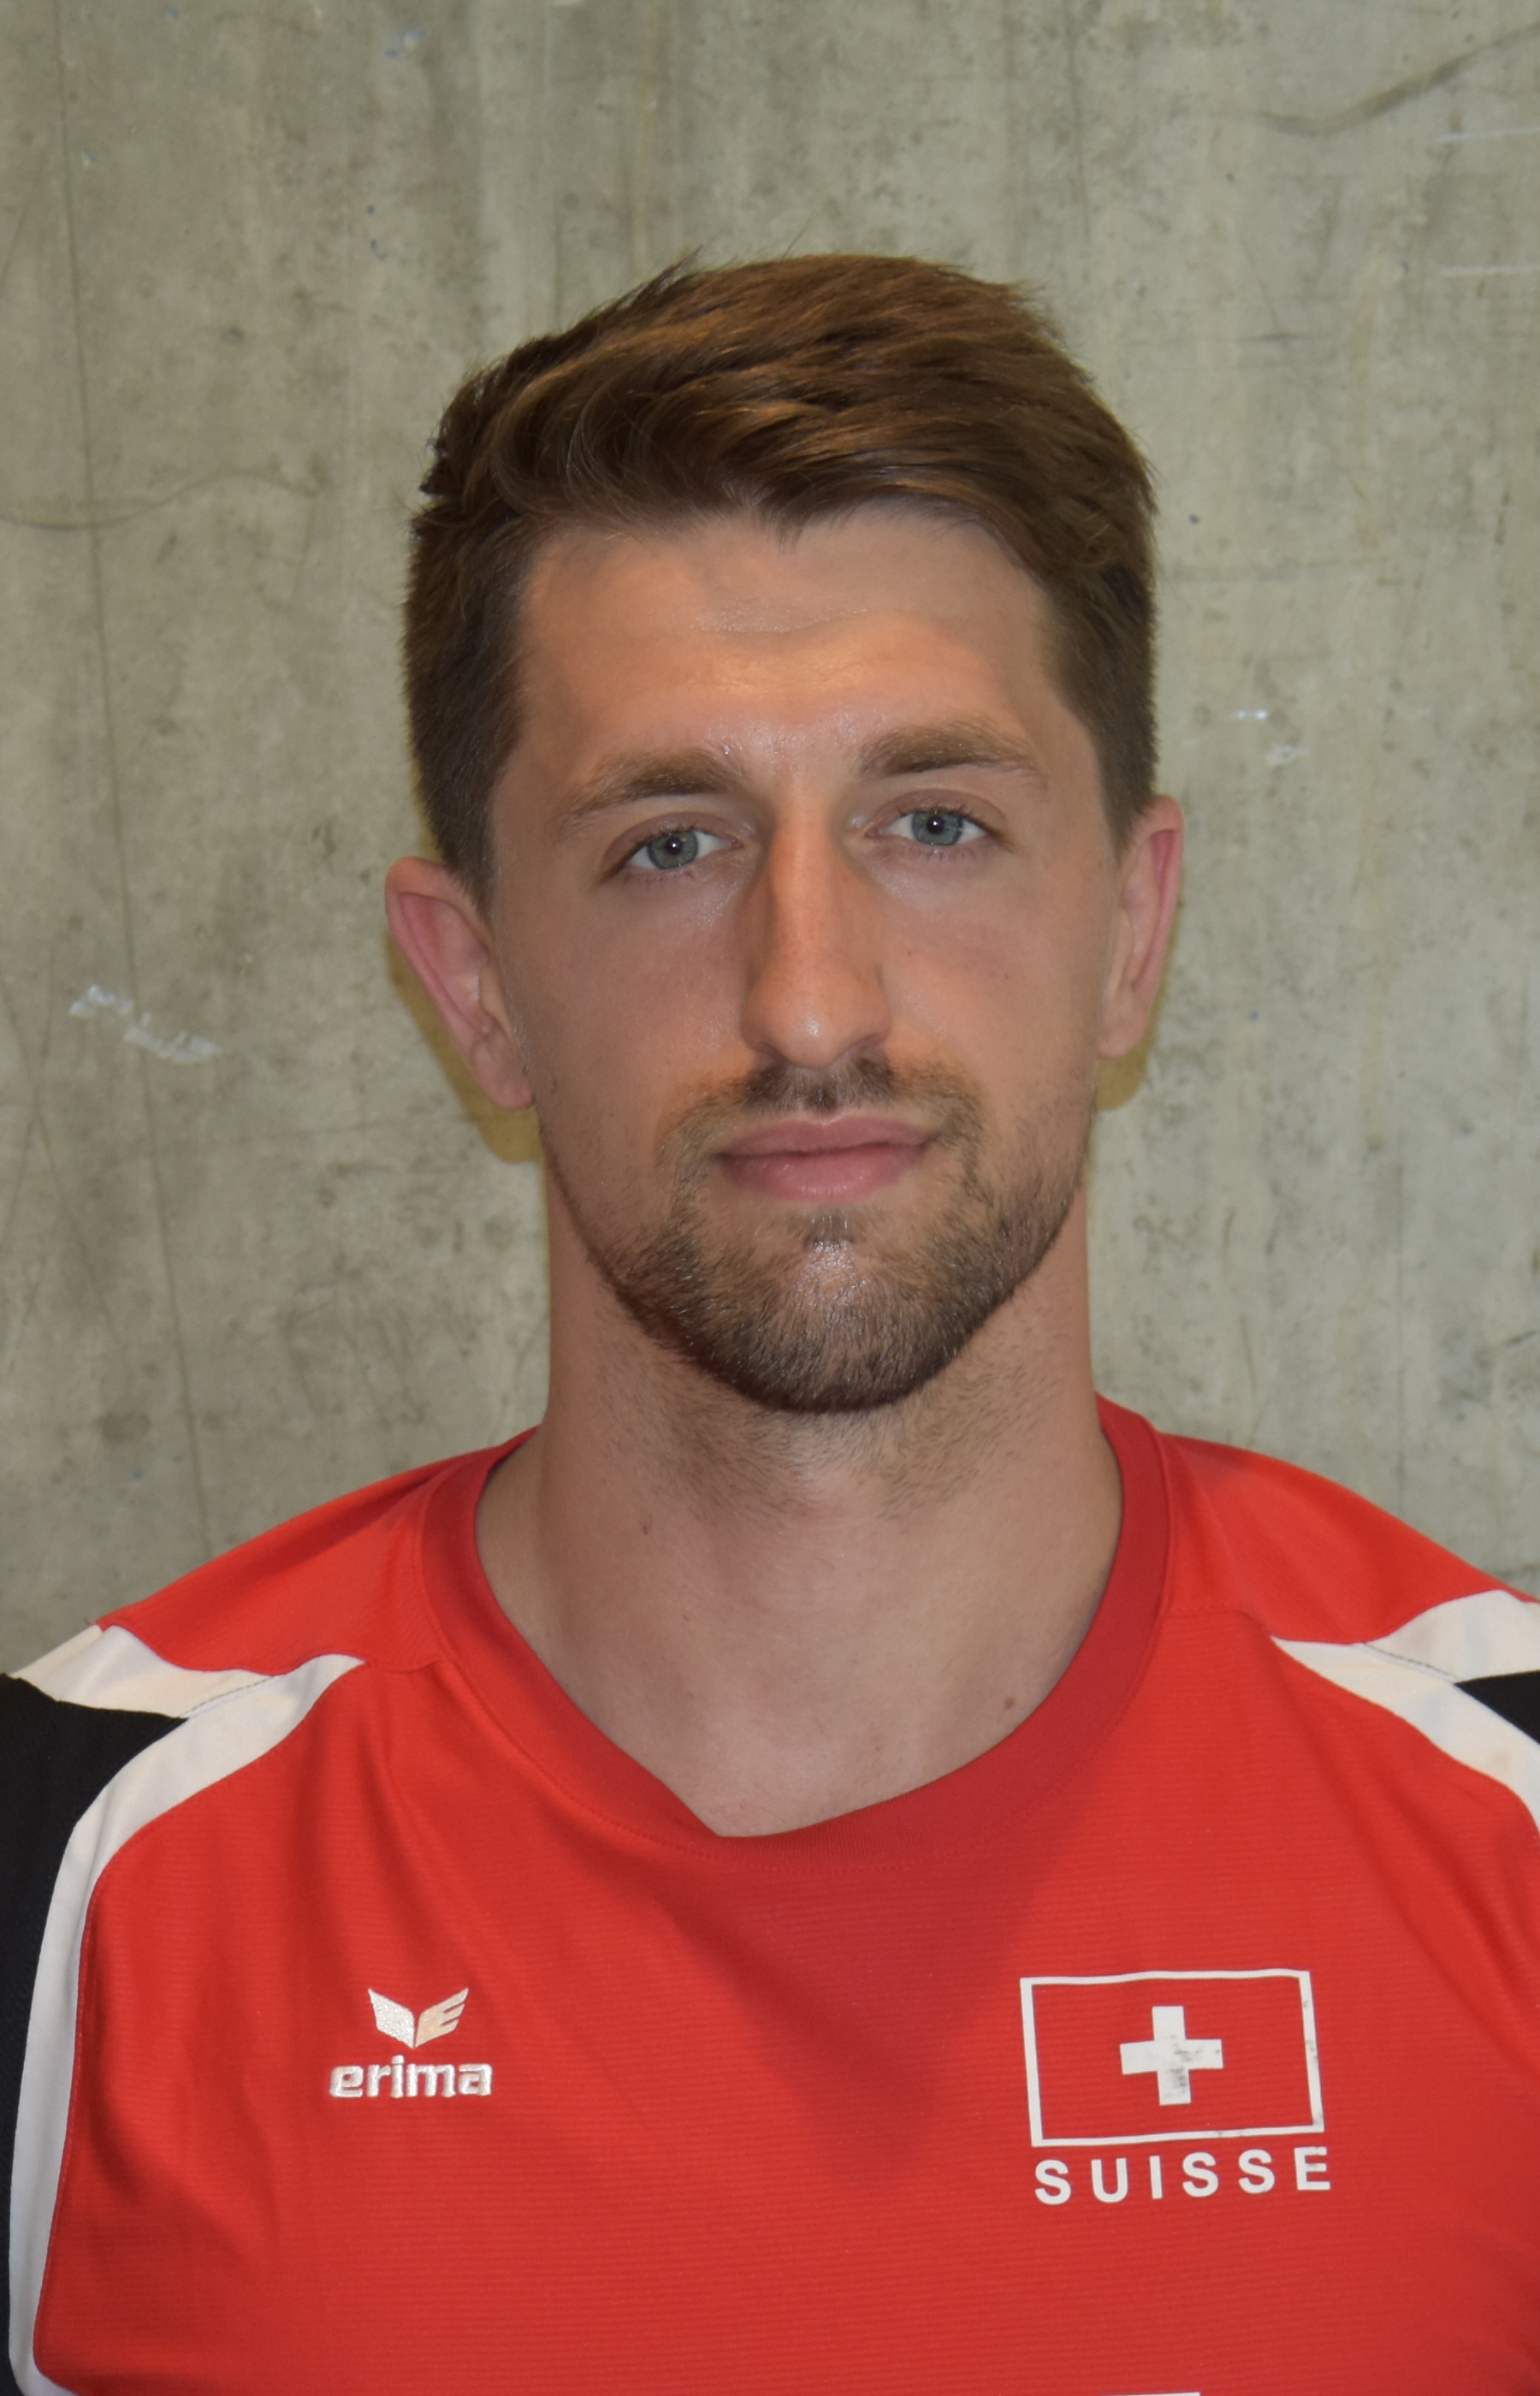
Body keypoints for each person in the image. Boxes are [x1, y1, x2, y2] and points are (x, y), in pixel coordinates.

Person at [3, 254, 1537, 2396]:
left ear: (1132, 931)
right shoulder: (78, 1861)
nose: (810, 997)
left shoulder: (1507, 1816)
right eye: (669, 844)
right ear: (472, 984)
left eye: (937, 823)